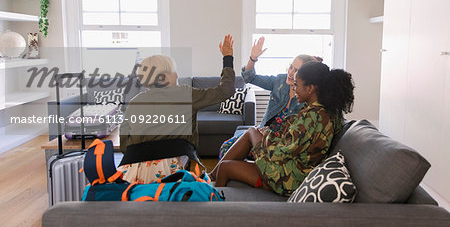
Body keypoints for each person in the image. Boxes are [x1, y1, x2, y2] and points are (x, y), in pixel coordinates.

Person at [211, 61, 354, 196]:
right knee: (251, 133)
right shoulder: (327, 112)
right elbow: (293, 144)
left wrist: (263, 137)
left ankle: (211, 202)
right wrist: (267, 134)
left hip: (289, 179)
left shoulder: (311, 118)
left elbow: (277, 153)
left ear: (310, 88)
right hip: (294, 168)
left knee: (228, 164)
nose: (294, 88)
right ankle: (208, 177)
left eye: (296, 85)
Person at [118, 34, 235, 184]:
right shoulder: (184, 95)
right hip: (171, 171)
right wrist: (228, 58)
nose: (177, 74)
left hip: (132, 172)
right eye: (174, 71)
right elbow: (225, 91)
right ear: (163, 76)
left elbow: (124, 143)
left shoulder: (135, 102)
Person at [218, 36, 318, 159]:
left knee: (239, 153)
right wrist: (253, 58)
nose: (291, 73)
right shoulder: (280, 81)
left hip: (279, 143)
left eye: (296, 70)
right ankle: (215, 177)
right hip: (262, 133)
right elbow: (249, 77)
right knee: (226, 147)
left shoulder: (307, 97)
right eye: (291, 67)